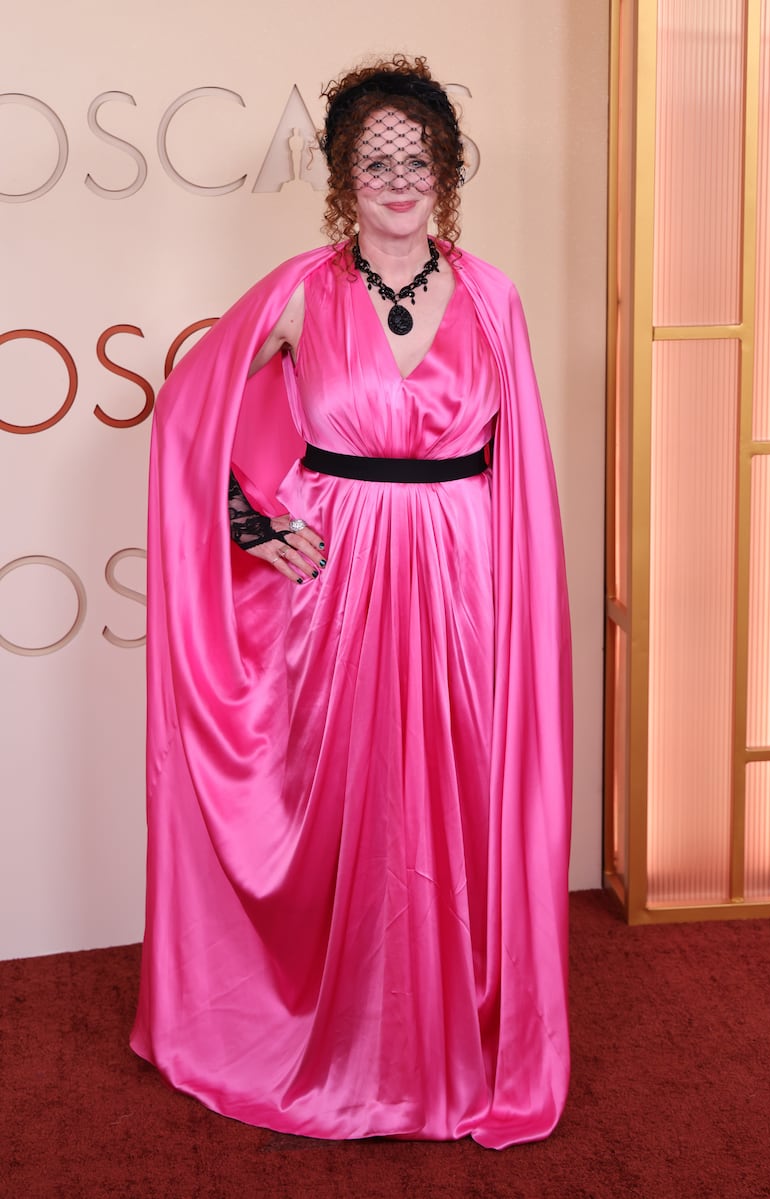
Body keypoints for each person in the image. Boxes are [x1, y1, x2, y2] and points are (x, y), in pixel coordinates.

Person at [131, 55, 573, 1151]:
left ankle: (452, 1044)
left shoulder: (493, 294)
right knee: (351, 812)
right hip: (339, 589)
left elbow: (519, 469)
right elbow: (192, 414)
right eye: (373, 158)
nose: (395, 175)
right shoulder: (299, 291)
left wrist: (516, 597)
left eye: (413, 155)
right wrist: (253, 524)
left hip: (465, 579)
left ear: (444, 170)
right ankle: (341, 1049)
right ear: (341, 174)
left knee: (459, 809)